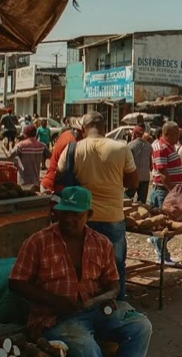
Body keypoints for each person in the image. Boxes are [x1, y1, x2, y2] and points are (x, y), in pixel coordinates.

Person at [9, 186, 151, 357]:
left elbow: (113, 284)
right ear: (57, 212)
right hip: (55, 318)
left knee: (141, 326)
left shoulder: (101, 243)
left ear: (89, 215)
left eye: (76, 215)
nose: (69, 219)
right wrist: (52, 300)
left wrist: (104, 298)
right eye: (65, 213)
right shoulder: (38, 241)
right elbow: (16, 282)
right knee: (85, 344)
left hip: (94, 310)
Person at [58, 111, 138, 300]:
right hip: (113, 218)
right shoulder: (121, 148)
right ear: (105, 128)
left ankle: (84, 306)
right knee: (116, 269)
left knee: (83, 268)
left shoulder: (72, 149)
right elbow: (133, 182)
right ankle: (117, 309)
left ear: (83, 129)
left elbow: (60, 177)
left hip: (82, 220)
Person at [148, 122, 182, 263]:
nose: (178, 137)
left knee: (174, 223)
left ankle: (161, 248)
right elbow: (162, 174)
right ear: (167, 134)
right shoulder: (160, 147)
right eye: (175, 134)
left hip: (170, 191)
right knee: (165, 224)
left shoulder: (169, 147)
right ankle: (161, 254)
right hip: (163, 191)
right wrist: (172, 192)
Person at [41, 117, 82, 195]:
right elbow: (66, 170)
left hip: (50, 182)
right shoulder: (73, 143)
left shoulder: (67, 134)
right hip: (55, 187)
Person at [127, 126, 153, 204]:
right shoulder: (149, 146)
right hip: (145, 178)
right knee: (142, 202)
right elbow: (150, 163)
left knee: (127, 198)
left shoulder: (130, 145)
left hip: (133, 177)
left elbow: (128, 163)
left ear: (134, 134)